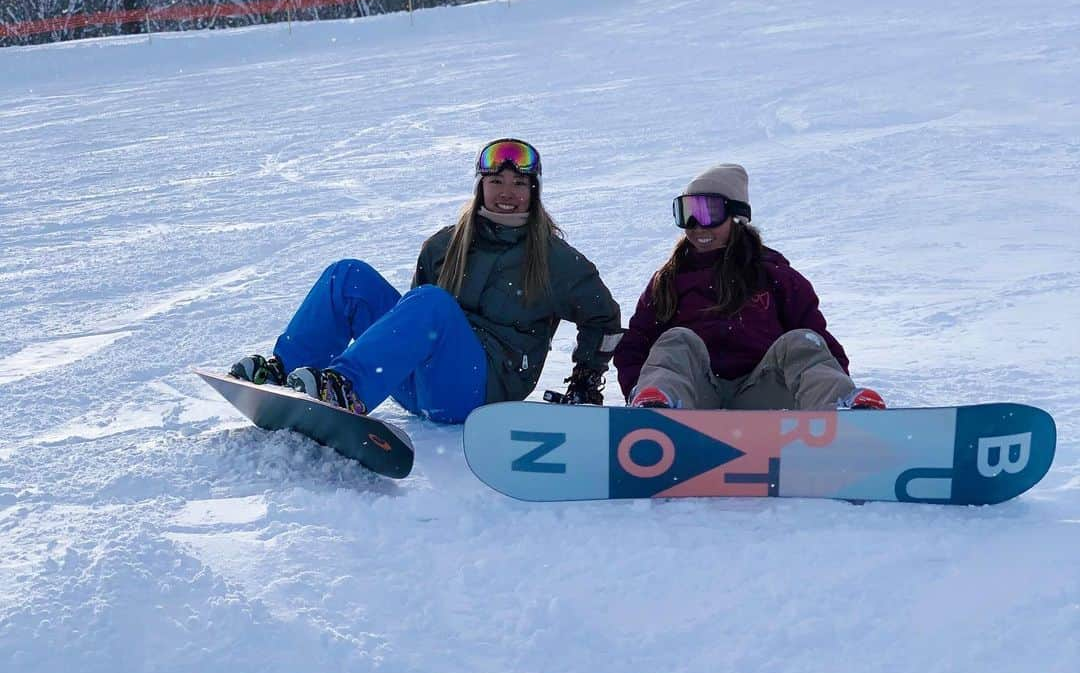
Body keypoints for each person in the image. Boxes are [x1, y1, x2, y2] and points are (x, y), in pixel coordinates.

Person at [230, 138, 622, 423]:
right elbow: (410, 319)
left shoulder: (556, 259)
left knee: (432, 303)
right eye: (496, 182)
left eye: (519, 184)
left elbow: (603, 318)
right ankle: (284, 374)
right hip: (418, 382)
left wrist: (586, 381)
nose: (507, 193)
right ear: (480, 186)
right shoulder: (445, 245)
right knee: (347, 276)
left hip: (481, 392)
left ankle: (344, 390)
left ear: (533, 191)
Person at [613, 164, 885, 412]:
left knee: (800, 341)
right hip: (695, 397)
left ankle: (840, 410)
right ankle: (654, 409)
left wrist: (836, 383)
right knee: (678, 340)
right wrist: (636, 387)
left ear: (737, 216)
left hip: (763, 396)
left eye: (709, 213)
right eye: (687, 214)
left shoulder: (776, 277)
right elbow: (636, 343)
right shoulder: (669, 280)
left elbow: (819, 345)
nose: (697, 226)